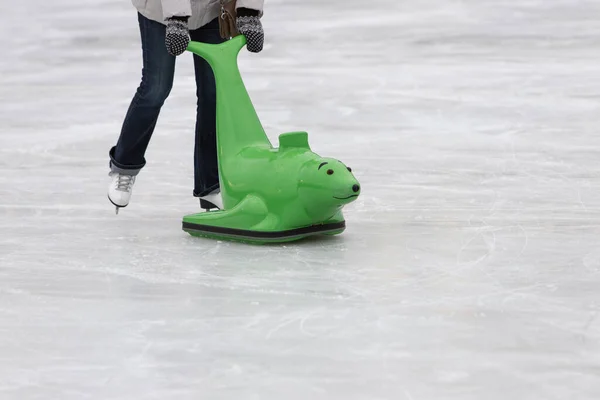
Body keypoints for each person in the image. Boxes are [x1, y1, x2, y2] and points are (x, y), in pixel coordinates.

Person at [107, 0, 265, 213]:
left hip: (210, 9)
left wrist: (248, 11)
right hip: (161, 10)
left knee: (214, 92)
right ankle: (124, 167)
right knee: (156, 88)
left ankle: (210, 185)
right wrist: (176, 17)